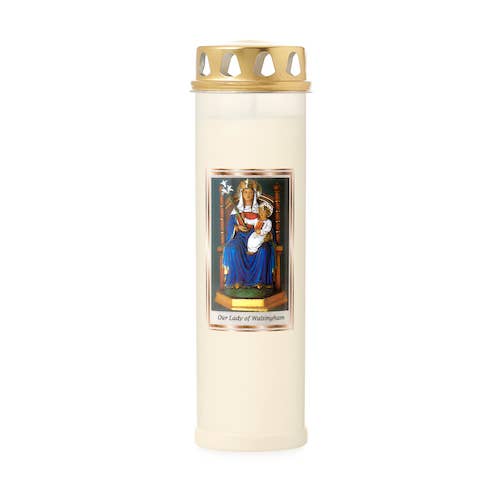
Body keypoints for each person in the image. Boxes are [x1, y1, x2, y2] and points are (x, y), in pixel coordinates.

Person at [222, 179, 275, 291]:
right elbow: (230, 227)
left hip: (256, 237)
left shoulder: (261, 210)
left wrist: (268, 235)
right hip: (240, 237)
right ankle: (237, 280)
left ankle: (260, 280)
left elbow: (268, 225)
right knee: (233, 249)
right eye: (245, 192)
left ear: (254, 194)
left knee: (264, 250)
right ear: (242, 194)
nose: (248, 195)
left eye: (250, 192)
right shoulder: (236, 210)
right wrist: (237, 228)